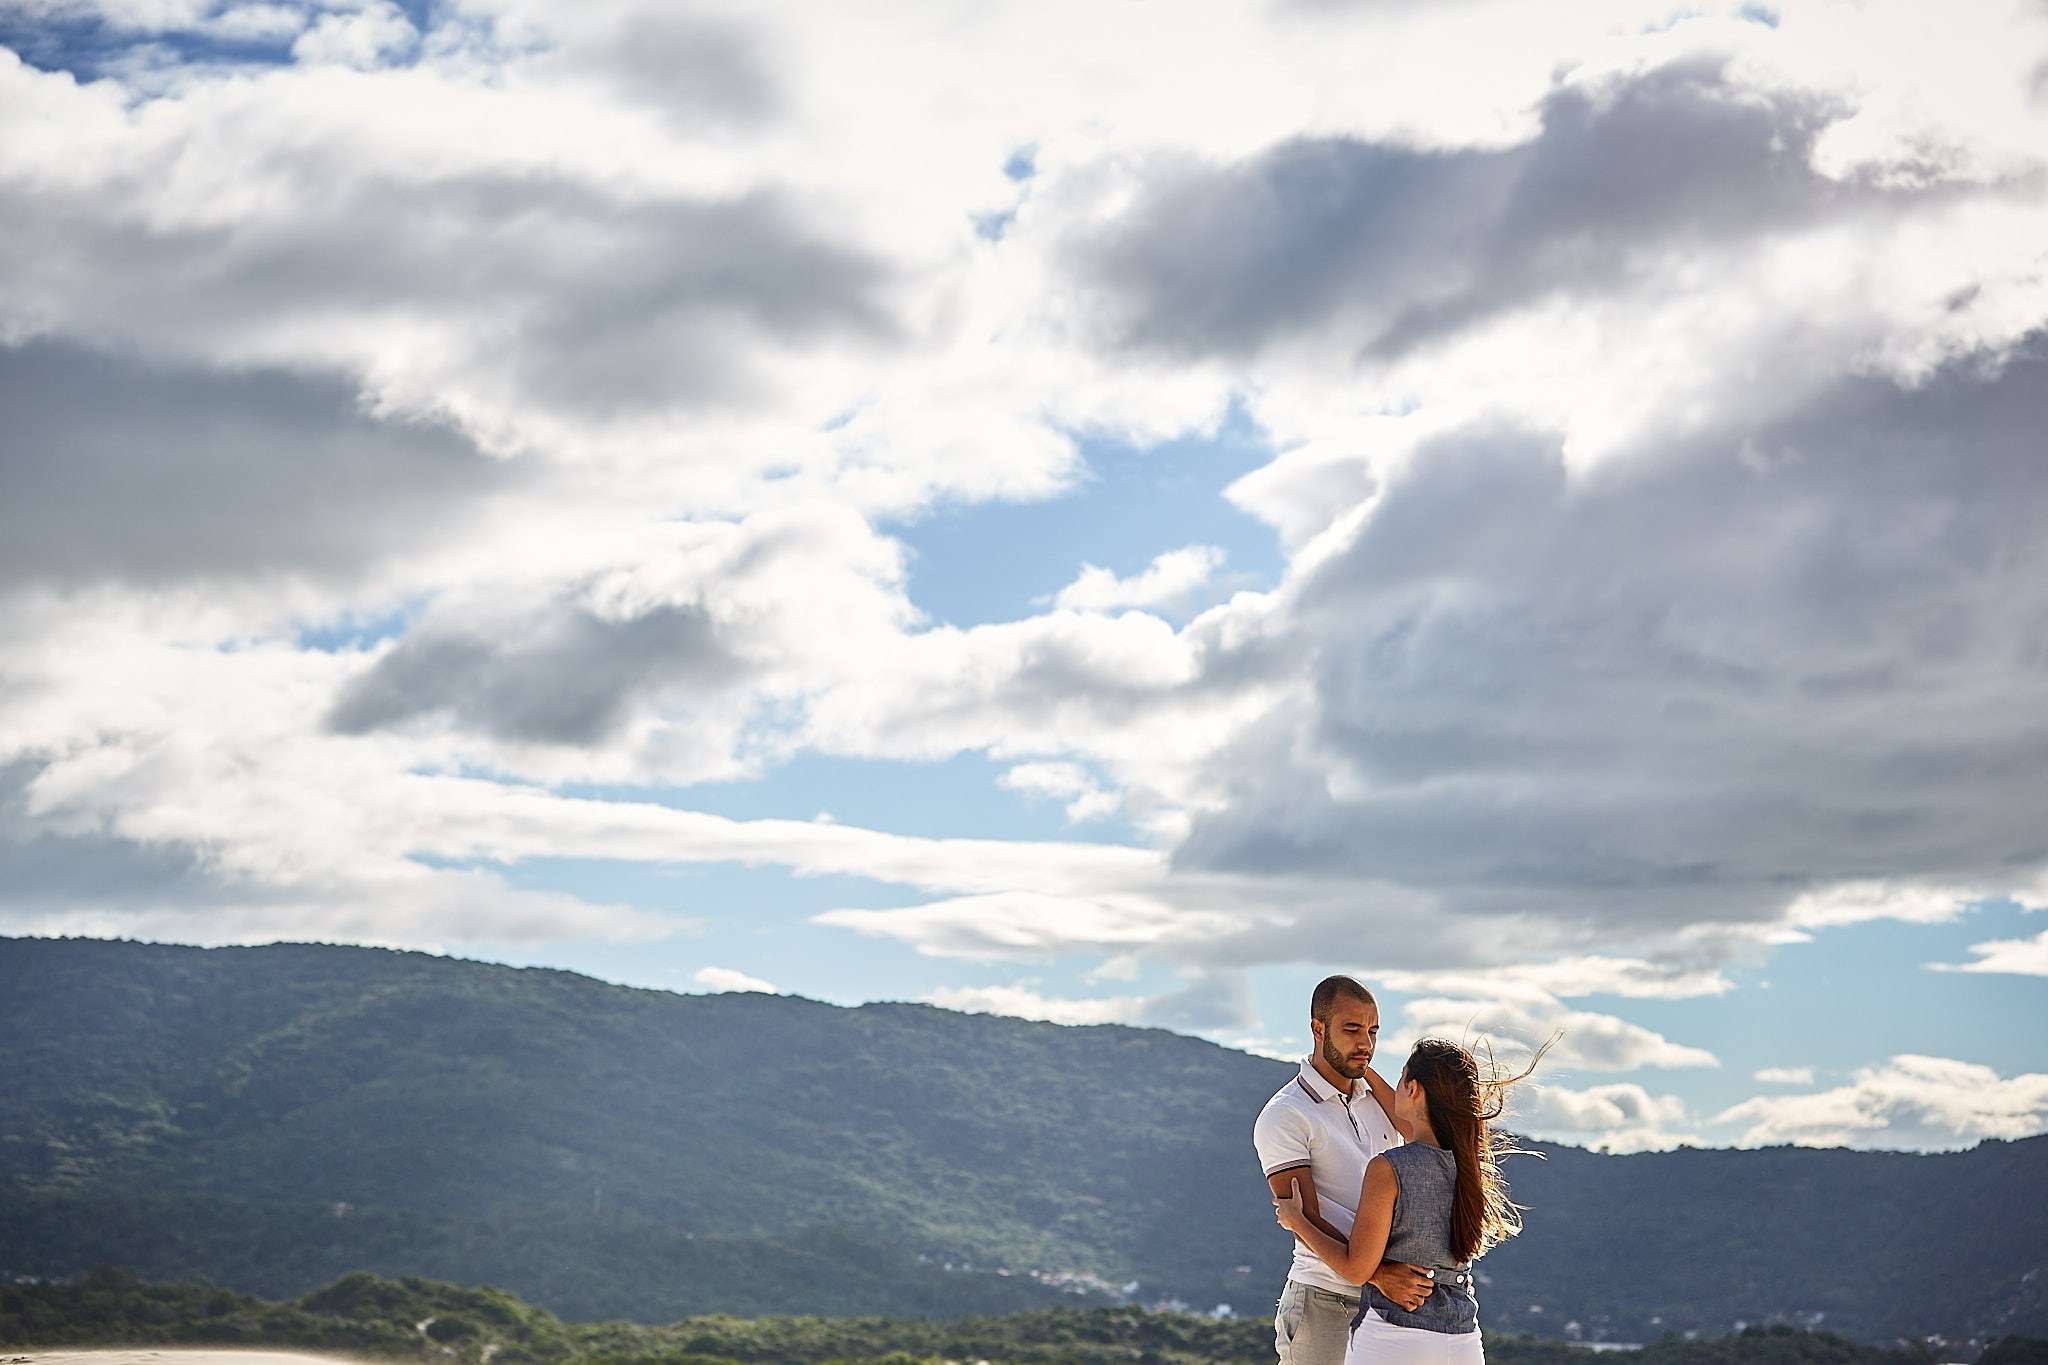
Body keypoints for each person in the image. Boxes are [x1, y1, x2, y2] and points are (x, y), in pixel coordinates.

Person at [1273, 1037, 1544, 1365]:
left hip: (1394, 1337)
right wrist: (1364, 1071)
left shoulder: (1389, 1168)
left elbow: (1356, 1269)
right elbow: (1417, 1129)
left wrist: (1296, 1220)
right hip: (1463, 1342)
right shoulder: (1470, 1165)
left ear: (1413, 1089)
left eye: (1400, 1078)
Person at [1254, 977, 1435, 1365]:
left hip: (1384, 1304)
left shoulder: (1377, 1099)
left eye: (1372, 1031)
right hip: (1324, 1300)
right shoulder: (1286, 1114)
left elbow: (1418, 1132)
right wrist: (1380, 1274)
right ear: (1318, 1029)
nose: (1365, 1043)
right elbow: (1307, 1218)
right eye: (1351, 1030)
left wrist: (1361, 1069)